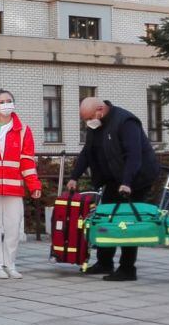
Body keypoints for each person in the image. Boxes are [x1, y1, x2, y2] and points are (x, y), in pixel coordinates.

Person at [67, 97, 160, 282]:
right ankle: (104, 262)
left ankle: (127, 269)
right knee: (106, 219)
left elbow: (134, 155)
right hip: (113, 179)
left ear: (101, 109)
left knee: (126, 221)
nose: (88, 122)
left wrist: (127, 182)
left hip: (136, 178)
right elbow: (87, 151)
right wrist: (73, 177)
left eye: (89, 117)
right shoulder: (95, 125)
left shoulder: (126, 122)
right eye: (84, 119)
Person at [0, 89, 42, 279]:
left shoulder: (23, 130)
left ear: (14, 103)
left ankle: (10, 264)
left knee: (13, 226)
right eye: (2, 101)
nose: (5, 104)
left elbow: (27, 160)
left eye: (8, 101)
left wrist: (34, 185)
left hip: (13, 187)